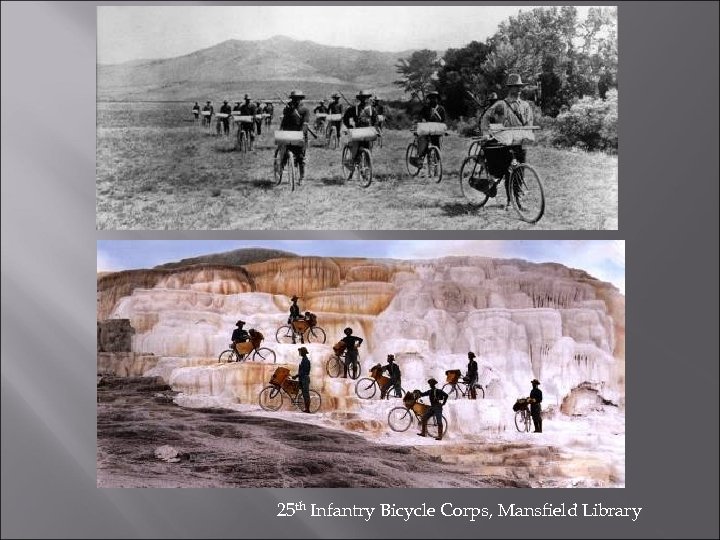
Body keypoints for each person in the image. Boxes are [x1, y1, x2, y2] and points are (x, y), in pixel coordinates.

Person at [478, 73, 535, 197]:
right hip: (506, 141)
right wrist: (486, 133)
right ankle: (509, 199)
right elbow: (485, 118)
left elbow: (529, 123)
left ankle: (517, 197)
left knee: (521, 169)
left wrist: (528, 134)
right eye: (516, 87)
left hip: (520, 141)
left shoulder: (526, 105)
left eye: (520, 87)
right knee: (508, 170)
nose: (519, 89)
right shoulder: (501, 104)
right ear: (510, 88)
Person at [279, 90, 310, 182]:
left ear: (301, 99)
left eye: (298, 99)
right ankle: (281, 167)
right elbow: (284, 122)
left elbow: (305, 124)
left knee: (301, 157)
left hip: (300, 135)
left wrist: (300, 134)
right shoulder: (287, 109)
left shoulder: (305, 110)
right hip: (289, 134)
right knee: (284, 152)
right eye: (294, 99)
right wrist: (282, 131)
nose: (296, 100)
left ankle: (302, 177)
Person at [410, 90, 446, 167]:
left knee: (437, 147)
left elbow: (443, 121)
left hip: (436, 132)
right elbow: (421, 117)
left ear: (437, 99)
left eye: (435, 98)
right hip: (427, 131)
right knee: (424, 145)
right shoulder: (425, 108)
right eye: (432, 98)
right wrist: (423, 120)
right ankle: (421, 158)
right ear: (429, 99)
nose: (433, 100)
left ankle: (437, 164)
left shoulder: (441, 109)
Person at [342, 90, 377, 163]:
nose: (364, 100)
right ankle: (353, 160)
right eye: (362, 98)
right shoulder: (354, 109)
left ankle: (367, 166)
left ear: (367, 98)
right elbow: (346, 117)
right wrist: (349, 126)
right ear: (360, 99)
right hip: (358, 132)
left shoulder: (372, 109)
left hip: (368, 132)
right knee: (356, 149)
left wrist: (373, 127)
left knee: (369, 149)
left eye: (365, 98)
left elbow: (375, 120)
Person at [291, 347, 312, 413]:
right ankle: (306, 408)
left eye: (301, 352)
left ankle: (308, 409)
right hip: (303, 378)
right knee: (304, 394)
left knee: (306, 394)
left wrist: (296, 376)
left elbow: (303, 372)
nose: (300, 353)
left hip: (304, 379)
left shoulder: (305, 361)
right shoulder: (303, 360)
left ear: (303, 352)